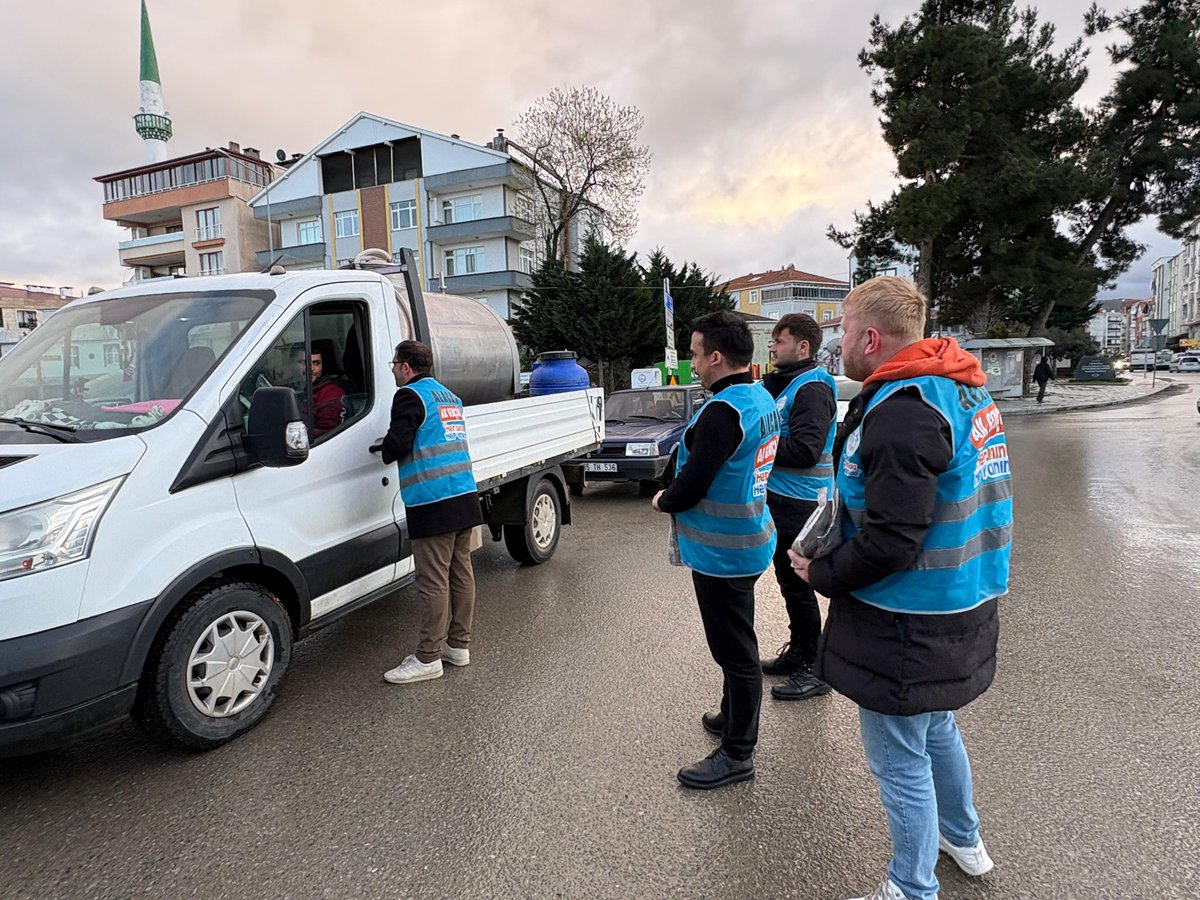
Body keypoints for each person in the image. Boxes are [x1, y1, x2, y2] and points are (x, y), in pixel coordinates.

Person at [789, 277, 1011, 900]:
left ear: (869, 336)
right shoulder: (957, 390)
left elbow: (892, 541)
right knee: (936, 728)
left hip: (907, 618)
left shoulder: (904, 411)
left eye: (841, 329)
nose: (835, 342)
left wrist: (820, 574)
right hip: (962, 599)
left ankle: (910, 889)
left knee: (898, 760)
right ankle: (964, 841)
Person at [651, 311, 781, 790]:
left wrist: (664, 499)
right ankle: (731, 716)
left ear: (717, 357)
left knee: (735, 650)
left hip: (725, 553)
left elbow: (693, 484)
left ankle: (738, 753)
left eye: (695, 352)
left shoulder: (723, 411)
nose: (692, 361)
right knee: (735, 643)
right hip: (750, 538)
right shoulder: (759, 398)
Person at [379, 340, 483, 684]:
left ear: (407, 367)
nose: (393, 368)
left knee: (433, 581)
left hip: (432, 500)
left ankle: (427, 658)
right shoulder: (448, 396)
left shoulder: (409, 396)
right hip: (463, 494)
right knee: (461, 573)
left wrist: (384, 445)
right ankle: (458, 646)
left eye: (395, 363)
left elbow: (398, 443)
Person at [759, 313, 838, 701]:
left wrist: (759, 446)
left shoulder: (813, 389)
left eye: (779, 341)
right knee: (789, 583)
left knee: (799, 584)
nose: (772, 347)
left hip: (802, 503)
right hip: (784, 501)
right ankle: (800, 652)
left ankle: (814, 667)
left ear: (802, 347)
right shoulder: (787, 386)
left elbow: (807, 450)